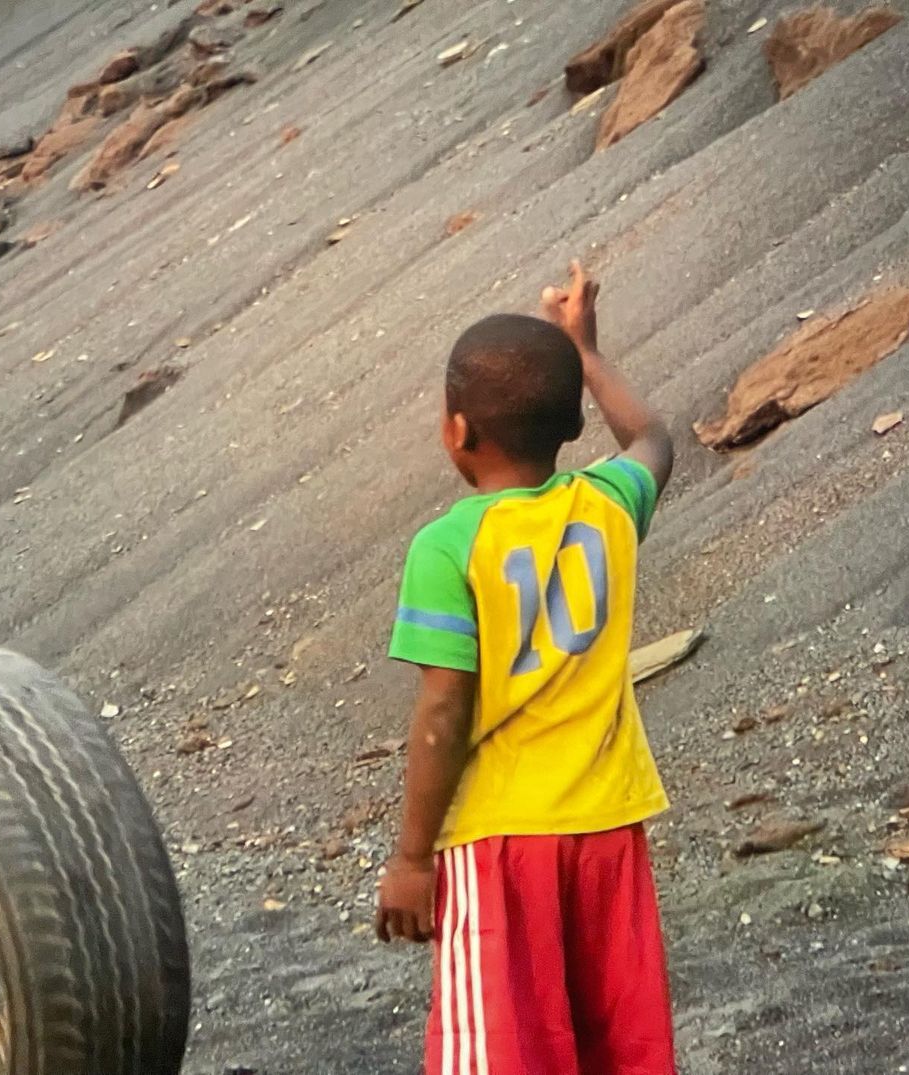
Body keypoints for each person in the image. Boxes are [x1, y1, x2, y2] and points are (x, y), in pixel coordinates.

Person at [375, 262, 676, 1075]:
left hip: (501, 842)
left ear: (458, 429)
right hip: (609, 829)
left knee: (505, 1051)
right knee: (618, 1046)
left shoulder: (447, 547)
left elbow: (444, 711)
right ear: (571, 424)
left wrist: (412, 857)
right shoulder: (607, 505)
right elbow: (653, 439)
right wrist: (587, 354)